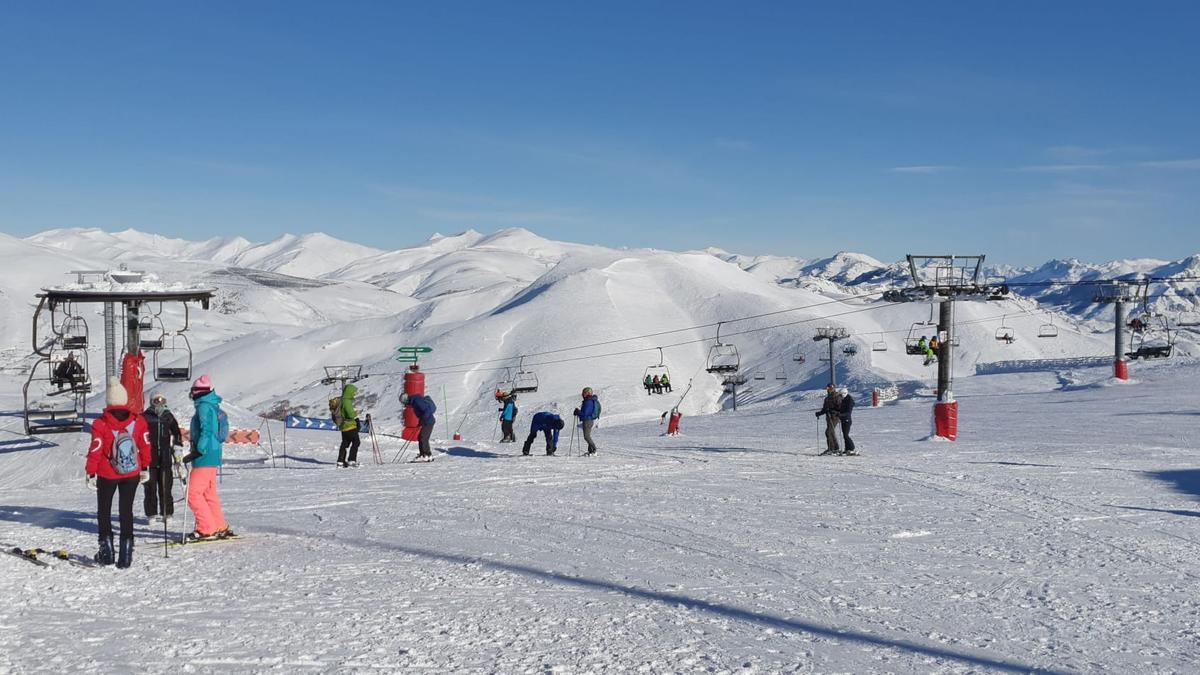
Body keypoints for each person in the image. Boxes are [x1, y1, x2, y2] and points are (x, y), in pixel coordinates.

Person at [86, 378, 152, 568]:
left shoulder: (101, 423)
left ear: (108, 401)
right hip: (132, 473)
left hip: (107, 473)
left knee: (104, 512)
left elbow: (95, 450)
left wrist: (91, 472)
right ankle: (126, 555)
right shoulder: (138, 421)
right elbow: (146, 446)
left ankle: (106, 553)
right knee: (126, 511)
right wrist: (145, 466)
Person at [183, 374, 232, 540]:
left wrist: (199, 449)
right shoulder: (212, 405)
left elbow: (207, 430)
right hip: (213, 454)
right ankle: (219, 526)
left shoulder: (204, 406)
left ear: (198, 391)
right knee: (209, 494)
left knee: (193, 493)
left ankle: (206, 528)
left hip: (205, 455)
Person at [142, 392, 183, 523]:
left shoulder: (168, 416)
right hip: (150, 458)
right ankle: (151, 514)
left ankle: (167, 512)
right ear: (151, 402)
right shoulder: (145, 417)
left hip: (165, 457)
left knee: (165, 486)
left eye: (162, 400)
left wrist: (177, 448)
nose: (159, 403)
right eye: (156, 401)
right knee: (150, 486)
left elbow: (177, 433)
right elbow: (139, 434)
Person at [401, 392, 437, 461]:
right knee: (422, 437)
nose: (406, 405)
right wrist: (421, 421)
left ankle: (424, 455)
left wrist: (423, 419)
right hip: (427, 421)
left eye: (405, 403)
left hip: (428, 421)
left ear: (406, 400)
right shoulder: (415, 401)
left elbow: (426, 410)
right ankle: (428, 455)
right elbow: (422, 412)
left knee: (423, 437)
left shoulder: (416, 400)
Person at [336, 383, 361, 468]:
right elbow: (350, 414)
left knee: (345, 443)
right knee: (356, 442)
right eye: (354, 392)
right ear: (350, 392)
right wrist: (356, 413)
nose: (355, 394)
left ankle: (340, 461)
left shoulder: (341, 400)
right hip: (350, 425)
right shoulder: (347, 401)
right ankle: (351, 460)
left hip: (343, 426)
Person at [815, 383, 842, 456]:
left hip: (834, 417)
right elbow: (825, 409)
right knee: (831, 432)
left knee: (828, 432)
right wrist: (819, 413)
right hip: (828, 417)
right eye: (827, 389)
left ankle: (831, 448)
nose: (828, 390)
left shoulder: (837, 397)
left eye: (829, 389)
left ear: (833, 389)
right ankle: (835, 448)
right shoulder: (827, 398)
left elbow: (840, 408)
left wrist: (833, 411)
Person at [573, 387, 600, 456]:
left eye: (584, 393)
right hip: (589, 420)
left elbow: (585, 414)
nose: (582, 394)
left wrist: (578, 412)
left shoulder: (588, 402)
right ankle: (590, 451)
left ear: (588, 393)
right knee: (588, 436)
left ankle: (594, 450)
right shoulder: (589, 401)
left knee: (586, 437)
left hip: (587, 420)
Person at [838, 387, 856, 456]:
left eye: (840, 395)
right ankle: (847, 449)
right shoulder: (844, 400)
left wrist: (840, 414)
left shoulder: (849, 401)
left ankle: (852, 448)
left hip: (847, 420)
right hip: (843, 419)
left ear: (844, 394)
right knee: (844, 435)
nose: (840, 396)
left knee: (846, 435)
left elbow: (848, 412)